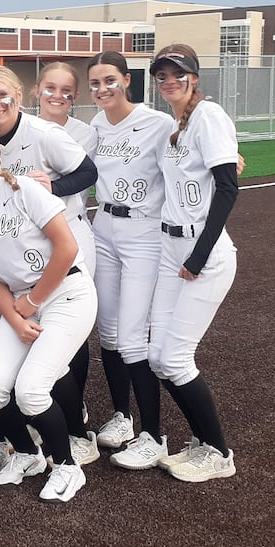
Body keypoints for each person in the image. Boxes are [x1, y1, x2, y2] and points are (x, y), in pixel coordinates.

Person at [0, 129, 97, 502]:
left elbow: (67, 249)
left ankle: (67, 466)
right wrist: (17, 319)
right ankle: (29, 455)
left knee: (31, 392)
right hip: (21, 303)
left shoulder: (24, 191)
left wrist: (32, 302)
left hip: (67, 292)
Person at [0, 64, 98, 459]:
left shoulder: (43, 131)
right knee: (28, 335)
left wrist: (51, 186)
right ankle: (42, 416)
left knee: (64, 338)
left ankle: (75, 425)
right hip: (15, 249)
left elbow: (88, 171)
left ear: (20, 95)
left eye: (1, 96)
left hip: (65, 234)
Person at [148, 44, 238, 482]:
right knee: (157, 357)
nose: (168, 83)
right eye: (161, 76)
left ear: (194, 78)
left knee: (177, 358)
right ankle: (201, 441)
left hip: (204, 252)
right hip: (170, 249)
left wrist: (199, 255)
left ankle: (219, 453)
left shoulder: (209, 115)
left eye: (177, 75)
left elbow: (227, 188)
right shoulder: (176, 126)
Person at [86, 51, 172, 468]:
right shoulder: (96, 125)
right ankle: (122, 416)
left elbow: (188, 155)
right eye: (95, 83)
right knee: (110, 333)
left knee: (135, 336)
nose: (102, 89)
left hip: (143, 232)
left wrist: (227, 159)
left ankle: (154, 436)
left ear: (127, 81)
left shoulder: (157, 123)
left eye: (109, 80)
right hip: (104, 226)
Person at [33, 61, 98, 422]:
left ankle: (75, 407)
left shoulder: (87, 132)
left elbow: (99, 168)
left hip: (72, 230)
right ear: (36, 91)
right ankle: (43, 404)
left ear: (74, 97)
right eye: (50, 88)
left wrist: (52, 188)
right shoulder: (19, 125)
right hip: (29, 239)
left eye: (66, 91)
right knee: (36, 320)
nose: (57, 96)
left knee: (71, 324)